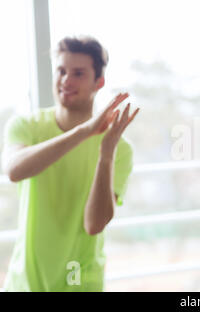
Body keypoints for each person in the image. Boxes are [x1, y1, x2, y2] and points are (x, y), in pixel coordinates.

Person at [2, 36, 139, 291]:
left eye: (78, 73)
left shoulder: (120, 149)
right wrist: (83, 132)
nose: (66, 80)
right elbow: (14, 170)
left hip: (80, 281)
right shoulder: (25, 127)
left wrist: (106, 154)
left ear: (99, 82)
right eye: (61, 71)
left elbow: (94, 224)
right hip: (25, 282)